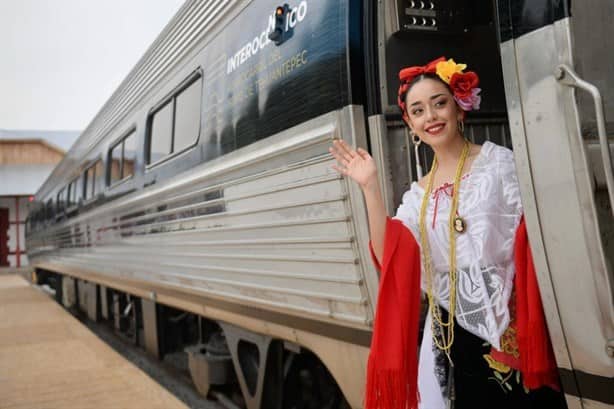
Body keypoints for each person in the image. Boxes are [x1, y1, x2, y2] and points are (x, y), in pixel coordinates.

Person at [329, 57, 566, 409]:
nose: (432, 117)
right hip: (454, 337)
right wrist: (370, 187)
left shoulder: (498, 163)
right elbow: (388, 255)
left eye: (439, 103)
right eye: (419, 110)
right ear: (410, 123)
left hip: (516, 324)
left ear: (459, 107)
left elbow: (540, 234)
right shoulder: (418, 196)